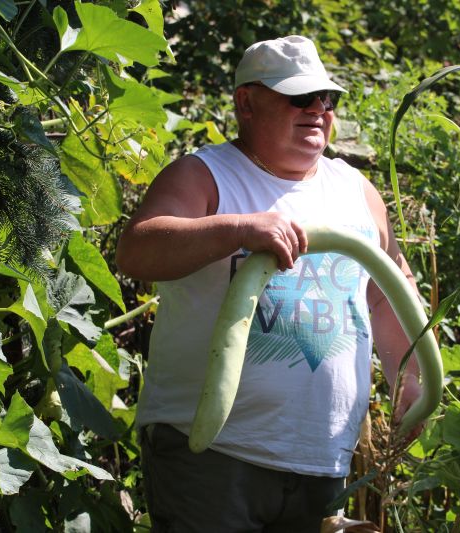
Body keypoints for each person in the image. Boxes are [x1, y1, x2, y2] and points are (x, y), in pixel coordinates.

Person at [116, 35, 423, 532]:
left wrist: (410, 378)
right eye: (300, 97)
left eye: (327, 98)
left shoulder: (356, 191)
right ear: (247, 102)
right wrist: (240, 228)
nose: (318, 110)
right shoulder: (206, 174)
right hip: (212, 454)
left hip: (321, 457)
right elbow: (138, 249)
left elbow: (387, 289)